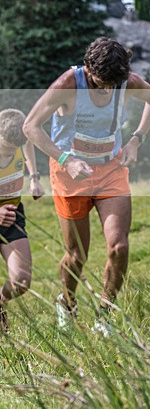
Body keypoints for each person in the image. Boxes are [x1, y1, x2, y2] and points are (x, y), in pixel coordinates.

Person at [23, 37, 150, 333]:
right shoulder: (68, 84)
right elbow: (30, 126)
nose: (109, 90)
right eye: (102, 84)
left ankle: (105, 315)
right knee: (77, 255)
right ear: (88, 69)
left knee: (119, 247)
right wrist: (66, 160)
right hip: (70, 174)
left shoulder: (126, 80)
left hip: (111, 169)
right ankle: (67, 302)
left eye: (114, 84)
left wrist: (136, 140)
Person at [0, 109, 44, 331]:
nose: (11, 152)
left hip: (12, 216)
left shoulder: (21, 141)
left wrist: (34, 177)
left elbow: (27, 145)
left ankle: (1, 302)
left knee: (22, 281)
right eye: (7, 148)